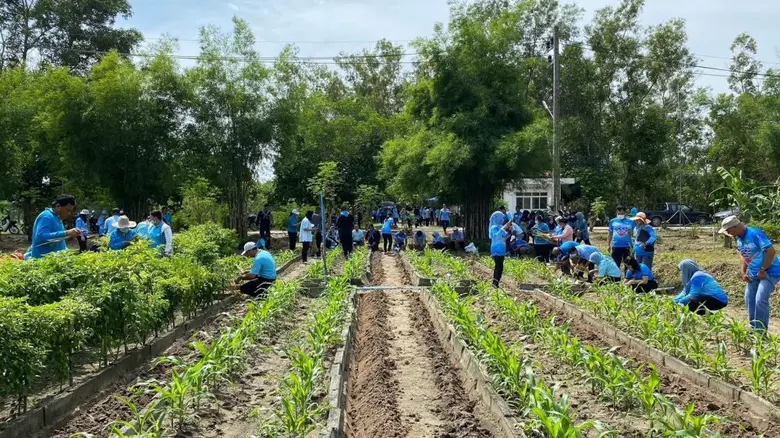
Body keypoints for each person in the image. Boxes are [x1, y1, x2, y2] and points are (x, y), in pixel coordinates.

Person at [719, 216, 780, 332]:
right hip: (754, 273)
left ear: (735, 227)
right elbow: (743, 255)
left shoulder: (755, 233)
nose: (727, 233)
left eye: (728, 230)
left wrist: (763, 269)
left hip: (770, 271)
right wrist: (743, 272)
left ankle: (760, 333)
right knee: (749, 299)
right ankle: (754, 328)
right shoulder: (739, 238)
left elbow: (771, 251)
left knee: (760, 299)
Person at [26, 195, 80, 260]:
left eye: (70, 211)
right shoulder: (46, 216)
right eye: (67, 210)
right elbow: (41, 236)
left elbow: (56, 239)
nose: (69, 213)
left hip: (55, 260)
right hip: (43, 261)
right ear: (58, 206)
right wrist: (66, 232)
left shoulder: (57, 218)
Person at [490, 220, 513, 288]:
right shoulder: (493, 227)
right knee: (498, 266)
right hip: (496, 249)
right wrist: (504, 227)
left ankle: (496, 282)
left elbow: (504, 237)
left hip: (501, 249)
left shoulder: (500, 227)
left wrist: (509, 231)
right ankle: (495, 283)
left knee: (501, 267)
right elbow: (497, 235)